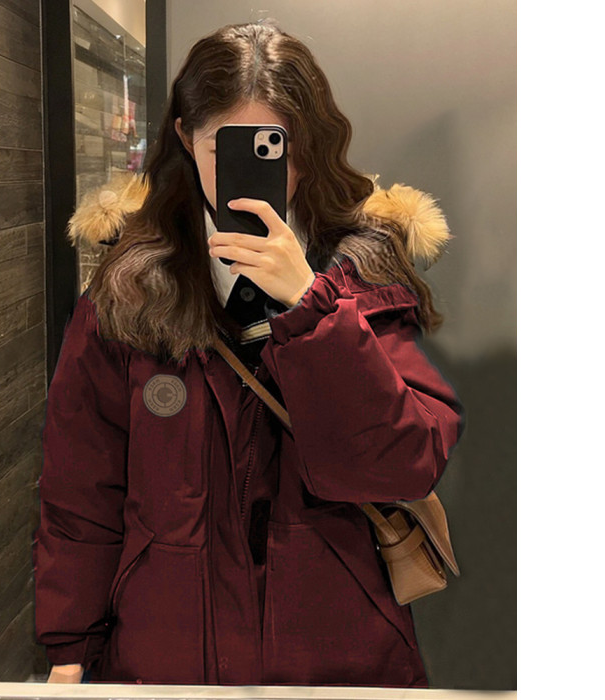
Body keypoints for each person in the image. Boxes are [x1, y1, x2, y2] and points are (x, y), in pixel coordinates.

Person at [33, 20, 465, 688]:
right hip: (171, 652)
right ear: (185, 138)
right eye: (223, 147)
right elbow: (81, 485)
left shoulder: (362, 275)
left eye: (274, 147)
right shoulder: (129, 292)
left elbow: (404, 466)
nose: (257, 173)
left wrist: (313, 307)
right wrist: (70, 647)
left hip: (336, 655)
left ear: (308, 145)